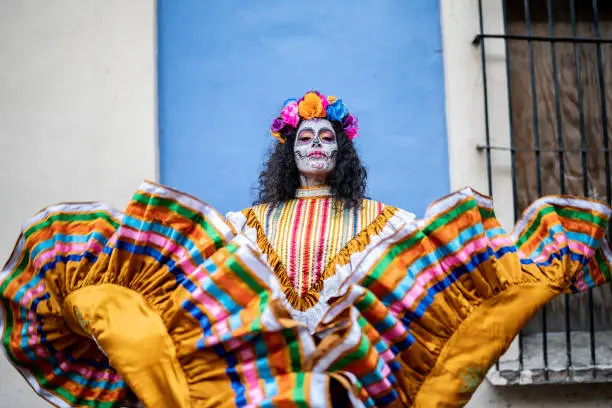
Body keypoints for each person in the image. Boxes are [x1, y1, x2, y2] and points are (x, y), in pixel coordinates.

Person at [1, 91, 611, 408]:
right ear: (287, 151)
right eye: (305, 136)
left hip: (361, 389)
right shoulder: (242, 225)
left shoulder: (387, 222)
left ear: (340, 153)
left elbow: (416, 300)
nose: (316, 145)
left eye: (326, 137)